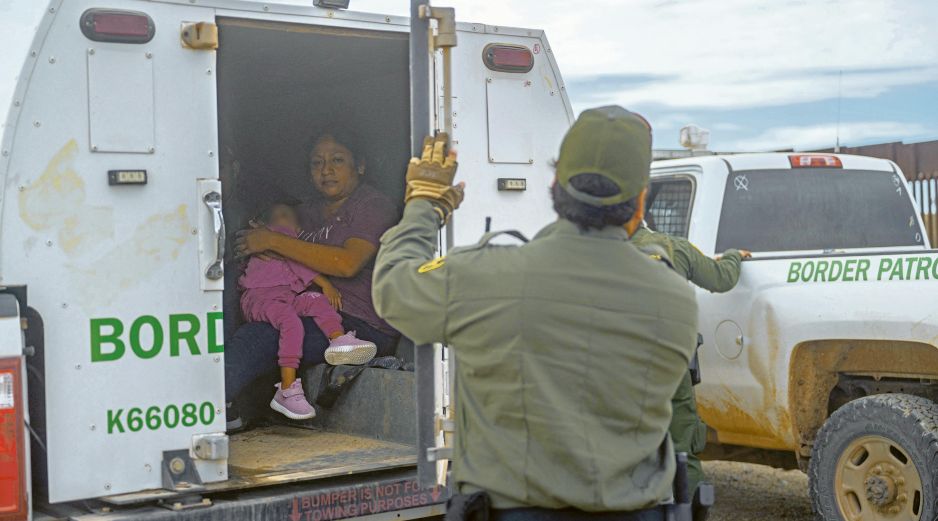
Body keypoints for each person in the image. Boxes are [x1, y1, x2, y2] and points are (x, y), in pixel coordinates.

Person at [373, 106, 698, 520]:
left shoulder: (484, 277)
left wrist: (424, 206)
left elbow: (393, 289)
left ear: (554, 185)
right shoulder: (674, 297)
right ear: (639, 202)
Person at [227, 130, 399, 427]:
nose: (326, 169)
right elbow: (251, 242)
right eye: (316, 163)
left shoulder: (372, 206)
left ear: (360, 166)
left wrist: (274, 242)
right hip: (301, 304)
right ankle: (230, 407)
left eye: (337, 160)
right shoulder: (304, 211)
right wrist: (254, 242)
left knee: (264, 335)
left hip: (358, 322)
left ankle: (207, 402)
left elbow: (346, 264)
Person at [631, 224, 751, 515]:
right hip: (671, 363)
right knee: (683, 444)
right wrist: (733, 256)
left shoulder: (603, 253)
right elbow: (722, 279)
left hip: (622, 367)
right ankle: (692, 510)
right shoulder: (674, 247)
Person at [239, 202, 378, 420]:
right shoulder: (275, 237)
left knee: (316, 301)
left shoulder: (288, 241)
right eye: (279, 216)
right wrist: (325, 283)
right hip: (261, 297)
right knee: (291, 323)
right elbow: (298, 265)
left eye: (290, 216)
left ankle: (338, 339)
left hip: (286, 297)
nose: (286, 220)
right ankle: (286, 388)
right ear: (265, 225)